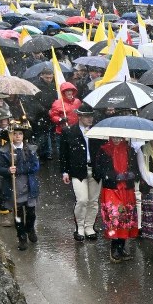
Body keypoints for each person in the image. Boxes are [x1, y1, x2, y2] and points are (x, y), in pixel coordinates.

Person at [93, 135, 141, 262]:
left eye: (119, 137)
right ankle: (114, 247)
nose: (117, 140)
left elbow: (136, 169)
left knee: (126, 218)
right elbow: (98, 171)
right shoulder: (104, 150)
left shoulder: (130, 150)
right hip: (112, 189)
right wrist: (113, 176)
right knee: (115, 218)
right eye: (114, 137)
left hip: (127, 189)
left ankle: (121, 246)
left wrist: (131, 174)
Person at [0, 122, 40, 251]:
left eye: (20, 133)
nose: (18, 136)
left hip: (29, 186)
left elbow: (35, 166)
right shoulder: (3, 151)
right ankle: (21, 236)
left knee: (31, 213)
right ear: (10, 136)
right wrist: (8, 170)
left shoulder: (31, 149)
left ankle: (30, 229)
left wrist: (19, 169)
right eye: (14, 134)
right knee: (18, 215)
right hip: (14, 188)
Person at [60, 103, 102, 241]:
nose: (90, 119)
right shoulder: (69, 131)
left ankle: (90, 226)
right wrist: (65, 171)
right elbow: (63, 154)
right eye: (86, 116)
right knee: (82, 199)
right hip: (78, 170)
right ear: (79, 116)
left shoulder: (97, 131)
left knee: (93, 201)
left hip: (95, 170)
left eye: (91, 116)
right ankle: (80, 227)